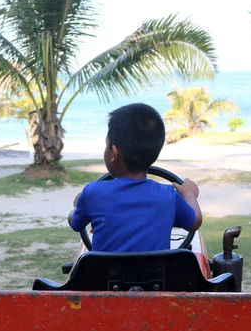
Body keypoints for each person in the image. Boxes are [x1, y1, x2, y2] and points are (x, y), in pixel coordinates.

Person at [68, 103, 202, 252]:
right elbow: (195, 222)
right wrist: (189, 193)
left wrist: (77, 206)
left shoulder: (92, 193)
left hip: (104, 276)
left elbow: (75, 223)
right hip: (156, 276)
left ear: (114, 152)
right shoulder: (168, 196)